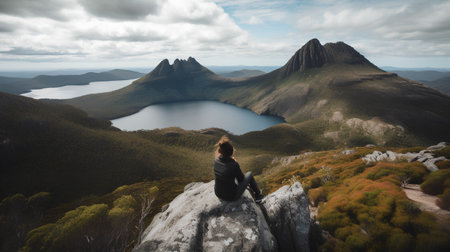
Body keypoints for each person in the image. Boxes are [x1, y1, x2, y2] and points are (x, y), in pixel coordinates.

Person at [213, 136, 264, 203]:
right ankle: (258, 195)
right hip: (231, 197)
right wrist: (235, 162)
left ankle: (257, 195)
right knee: (249, 174)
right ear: (231, 153)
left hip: (218, 193)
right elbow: (241, 179)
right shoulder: (233, 164)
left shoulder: (216, 160)